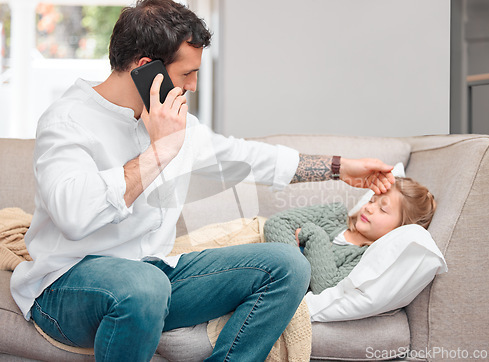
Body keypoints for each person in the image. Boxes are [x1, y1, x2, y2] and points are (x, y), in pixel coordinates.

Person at [10, 0, 396, 361]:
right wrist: (158, 152)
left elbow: (252, 159)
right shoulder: (68, 120)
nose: (193, 86)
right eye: (187, 74)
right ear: (147, 69)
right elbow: (74, 217)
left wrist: (339, 167)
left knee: (287, 265)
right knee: (145, 285)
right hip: (65, 289)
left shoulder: (180, 127)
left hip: (155, 276)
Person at [264, 177, 436, 294]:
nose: (369, 208)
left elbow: (325, 287)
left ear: (400, 228)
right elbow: (277, 224)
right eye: (371, 200)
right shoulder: (335, 214)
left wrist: (315, 235)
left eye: (383, 209)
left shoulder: (363, 258)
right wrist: (300, 268)